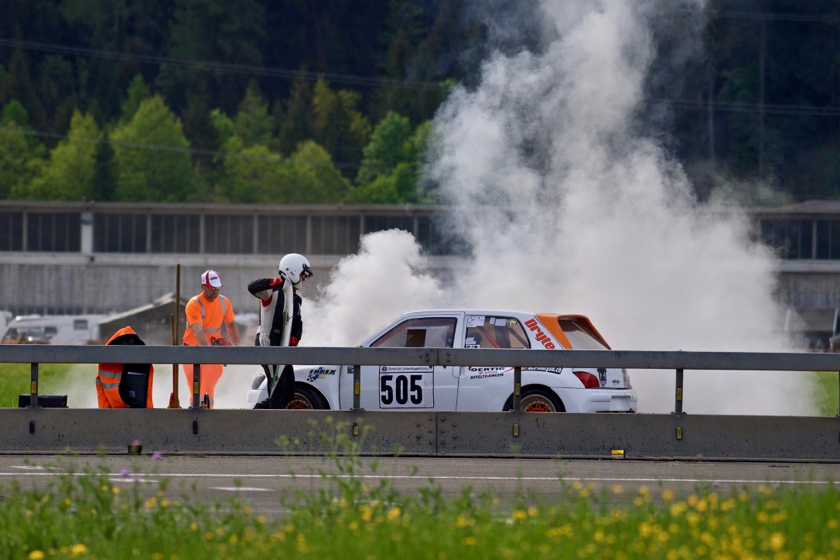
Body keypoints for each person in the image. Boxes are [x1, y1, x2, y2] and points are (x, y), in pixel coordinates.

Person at [248, 253, 313, 409]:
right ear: (294, 271)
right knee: (278, 386)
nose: (304, 279)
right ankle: (272, 425)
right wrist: (273, 282)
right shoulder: (272, 290)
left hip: (282, 346)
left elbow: (298, 323)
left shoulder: (295, 298)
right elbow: (252, 287)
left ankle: (258, 412)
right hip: (267, 342)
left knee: (289, 388)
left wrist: (294, 339)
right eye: (303, 275)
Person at [181, 269, 240, 409]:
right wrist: (209, 352)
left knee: (207, 386)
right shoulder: (194, 304)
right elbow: (197, 331)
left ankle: (206, 413)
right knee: (195, 390)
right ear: (203, 287)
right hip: (191, 352)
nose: (216, 291)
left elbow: (231, 324)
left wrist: (237, 346)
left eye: (218, 288)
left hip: (212, 353)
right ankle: (195, 416)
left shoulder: (224, 302)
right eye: (212, 288)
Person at [96, 325, 154, 408]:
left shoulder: (104, 362)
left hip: (113, 415)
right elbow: (146, 397)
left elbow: (102, 399)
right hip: (139, 414)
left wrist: (105, 417)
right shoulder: (142, 360)